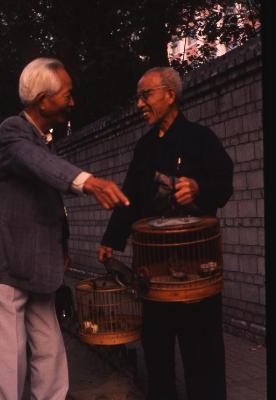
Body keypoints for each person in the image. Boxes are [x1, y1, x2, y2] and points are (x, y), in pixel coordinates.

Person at [0, 57, 129, 400]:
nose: (72, 101)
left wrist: (61, 249)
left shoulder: (42, 139)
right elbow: (39, 164)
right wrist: (88, 181)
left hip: (37, 267)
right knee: (8, 356)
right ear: (43, 99)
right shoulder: (12, 132)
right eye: (67, 94)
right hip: (3, 265)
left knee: (50, 348)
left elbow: (47, 203)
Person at [98, 67, 233, 400]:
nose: (140, 104)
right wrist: (111, 240)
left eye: (146, 95)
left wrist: (200, 189)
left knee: (204, 357)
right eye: (138, 97)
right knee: (157, 357)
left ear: (170, 95)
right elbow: (128, 199)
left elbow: (224, 183)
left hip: (196, 271)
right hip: (153, 272)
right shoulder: (144, 147)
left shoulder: (201, 138)